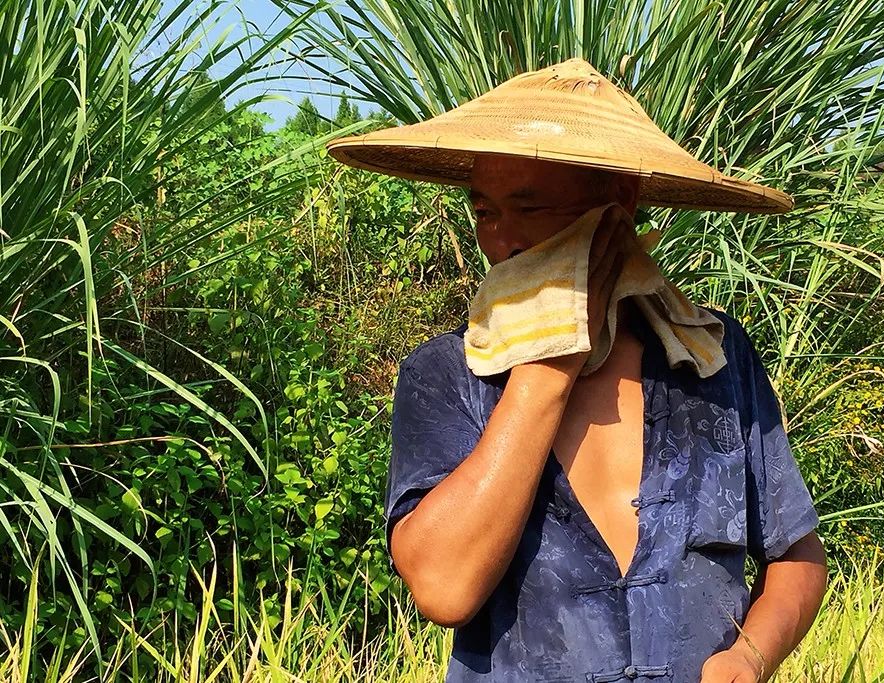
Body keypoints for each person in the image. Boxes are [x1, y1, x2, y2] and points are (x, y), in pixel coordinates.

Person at [327, 58, 828, 683]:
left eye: (530, 210)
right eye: (484, 212)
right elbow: (442, 587)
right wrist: (549, 368)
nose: (501, 241)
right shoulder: (450, 376)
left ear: (618, 208)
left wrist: (750, 658)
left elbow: (798, 555)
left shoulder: (712, 363)